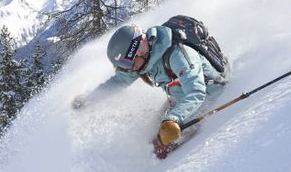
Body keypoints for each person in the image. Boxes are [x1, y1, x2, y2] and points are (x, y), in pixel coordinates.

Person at [72, 23, 228, 147]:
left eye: (127, 63)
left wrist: (173, 118)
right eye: (124, 65)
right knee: (149, 135)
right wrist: (89, 99)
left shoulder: (178, 55)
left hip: (208, 97)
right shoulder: (145, 59)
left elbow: (196, 92)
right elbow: (119, 81)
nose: (128, 68)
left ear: (139, 50)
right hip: (180, 99)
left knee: (160, 144)